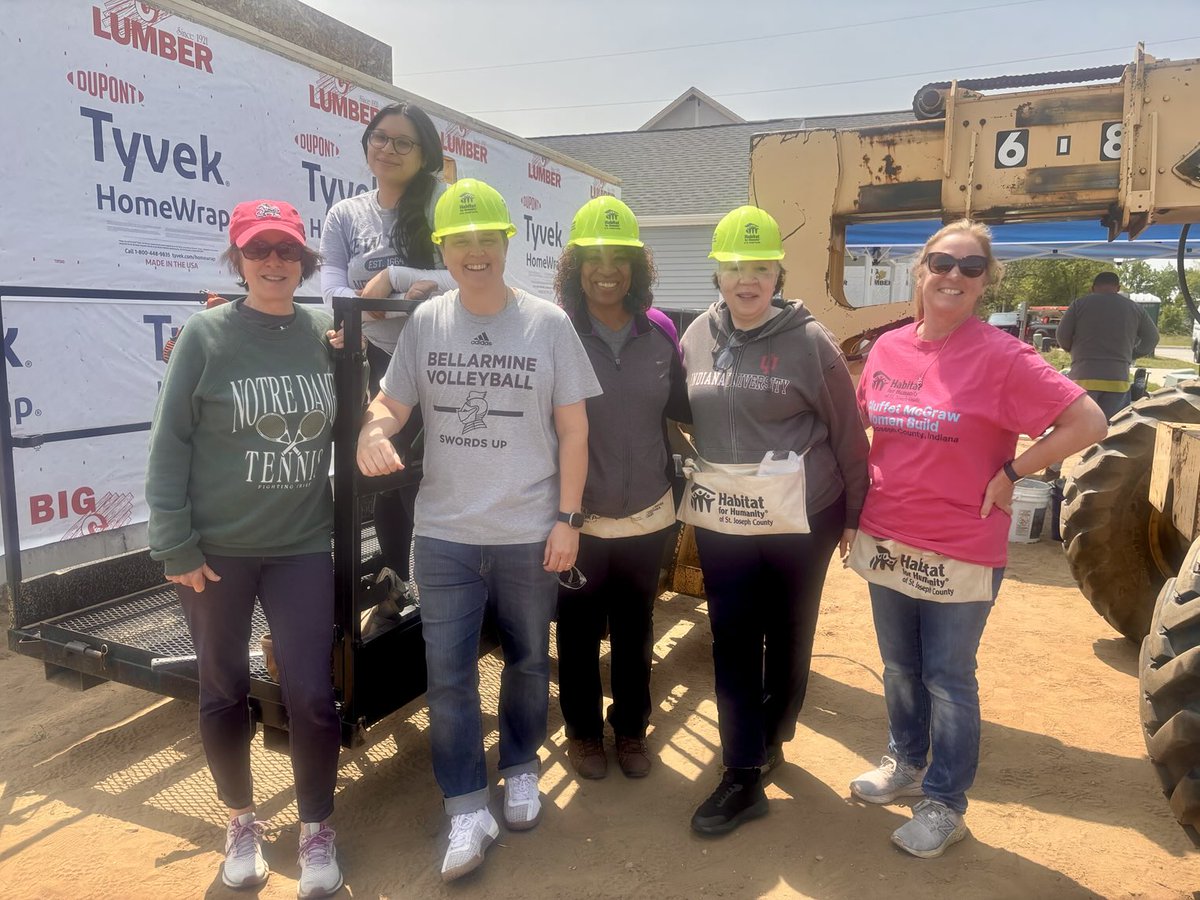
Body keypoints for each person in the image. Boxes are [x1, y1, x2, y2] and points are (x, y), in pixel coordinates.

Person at [355, 179, 601, 881]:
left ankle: (520, 766)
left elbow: (574, 428)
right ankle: (467, 804)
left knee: (528, 661)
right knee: (449, 676)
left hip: (530, 531)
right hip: (445, 536)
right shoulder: (427, 323)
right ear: (442, 249)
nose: (474, 252)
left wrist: (567, 520)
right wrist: (373, 431)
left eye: (486, 239)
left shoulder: (547, 323)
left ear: (505, 244)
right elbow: (388, 406)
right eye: (459, 241)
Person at [849, 220, 1108, 858]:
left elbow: (1089, 420)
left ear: (986, 280)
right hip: (889, 535)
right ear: (920, 270)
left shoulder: (1003, 356)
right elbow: (863, 425)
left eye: (970, 268)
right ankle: (906, 761)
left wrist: (1015, 470)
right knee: (899, 668)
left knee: (946, 676)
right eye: (942, 262)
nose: (953, 276)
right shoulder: (887, 350)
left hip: (962, 543)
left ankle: (944, 803)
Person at [146, 199, 346, 897]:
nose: (273, 263)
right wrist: (174, 541)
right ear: (238, 260)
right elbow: (167, 444)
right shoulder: (206, 335)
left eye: (286, 251)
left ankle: (317, 828)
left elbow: (371, 404)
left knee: (313, 695)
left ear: (303, 262)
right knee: (224, 687)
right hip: (216, 551)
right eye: (258, 250)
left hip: (299, 544)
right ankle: (240, 821)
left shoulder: (326, 332)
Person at [678, 206, 869, 835]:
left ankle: (774, 732)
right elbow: (679, 413)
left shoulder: (810, 342)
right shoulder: (696, 336)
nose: (746, 279)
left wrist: (854, 513)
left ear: (777, 273)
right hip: (726, 516)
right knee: (732, 636)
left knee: (788, 632)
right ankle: (741, 772)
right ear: (718, 273)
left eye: (759, 267)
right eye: (734, 267)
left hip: (803, 515)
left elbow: (847, 432)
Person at [552, 196, 689, 781]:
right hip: (578, 519)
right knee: (578, 634)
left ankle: (631, 730)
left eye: (620, 258)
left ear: (637, 266)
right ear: (575, 265)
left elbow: (687, 408)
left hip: (648, 515)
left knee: (635, 632)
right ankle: (583, 734)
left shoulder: (658, 331)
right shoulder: (555, 332)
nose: (606, 270)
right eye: (593, 258)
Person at [321, 101, 456, 597]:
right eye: (380, 138)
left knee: (424, 477)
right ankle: (398, 580)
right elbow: (331, 282)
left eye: (404, 142)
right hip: (371, 357)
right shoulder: (346, 213)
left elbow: (466, 273)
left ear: (425, 154)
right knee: (382, 469)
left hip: (437, 358)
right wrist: (359, 307)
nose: (389, 149)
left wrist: (395, 278)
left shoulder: (440, 205)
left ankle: (440, 583)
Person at [1056, 271, 1159, 420]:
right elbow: (1152, 338)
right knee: (1111, 432)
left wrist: (1073, 351)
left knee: (1080, 429)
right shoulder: (1135, 308)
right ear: (1118, 288)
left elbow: (1062, 336)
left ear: (1093, 288)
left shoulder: (1079, 305)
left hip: (1083, 378)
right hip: (1117, 380)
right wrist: (1131, 354)